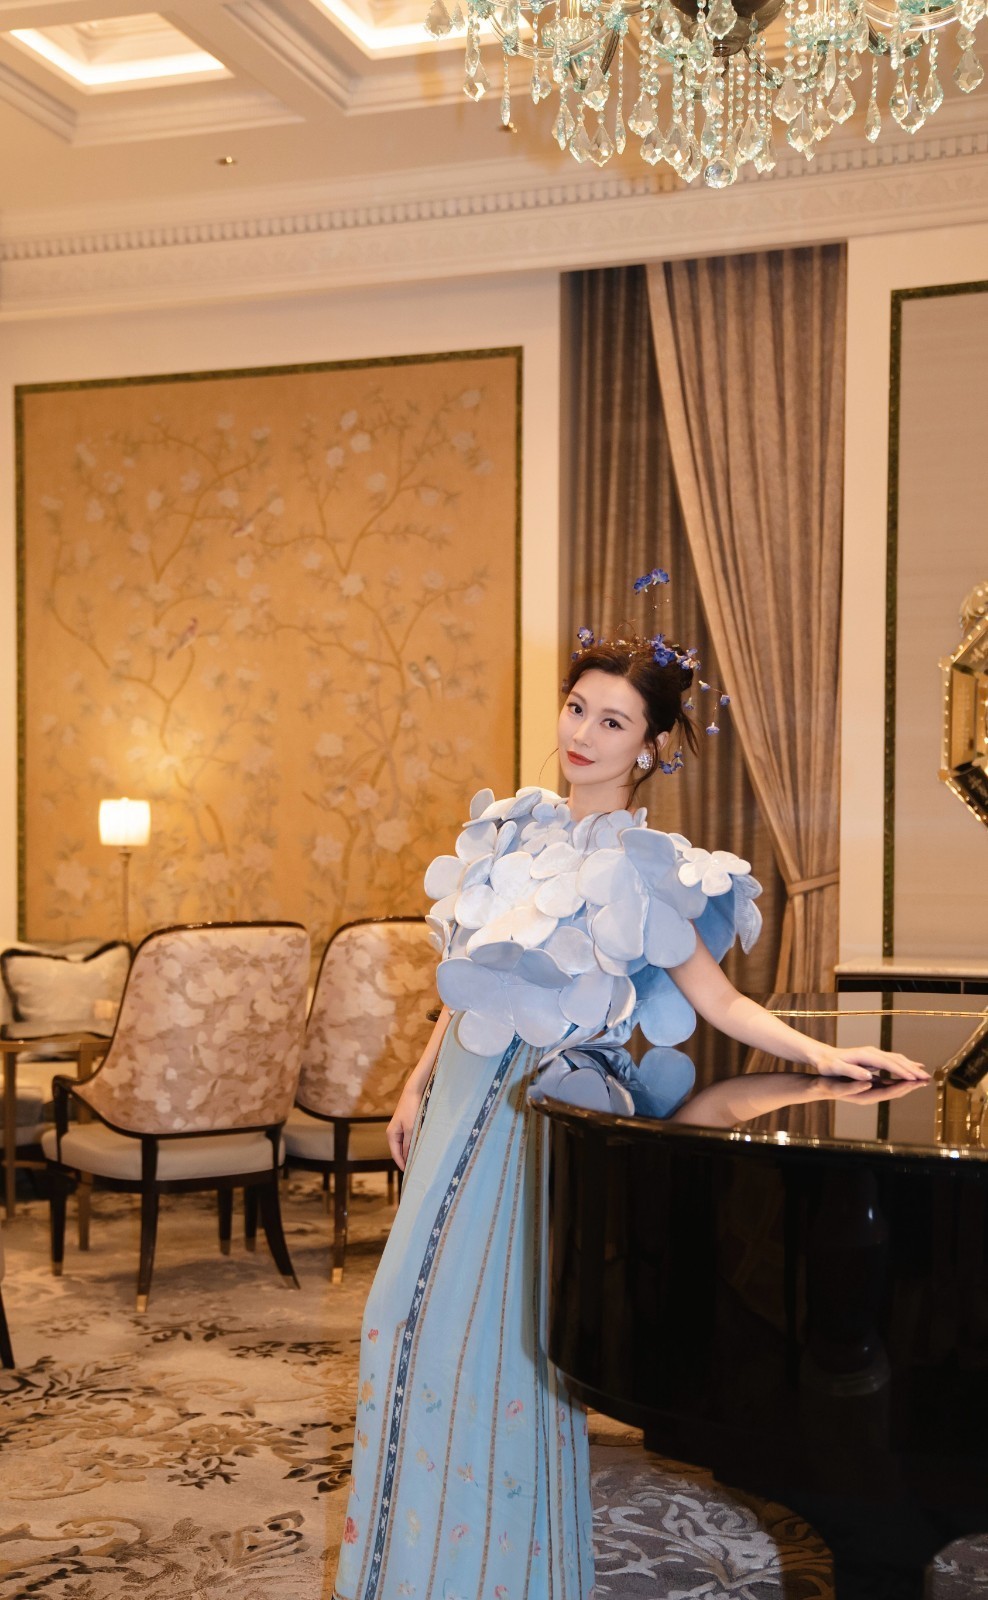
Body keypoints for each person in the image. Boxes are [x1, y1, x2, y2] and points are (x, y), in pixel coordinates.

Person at [331, 613, 927, 1600]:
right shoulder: (514, 828)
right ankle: (403, 1571)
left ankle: (497, 1577)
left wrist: (826, 1055)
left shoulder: (646, 866)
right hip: (456, 1106)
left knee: (489, 1341)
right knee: (400, 1318)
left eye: (612, 722)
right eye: (578, 708)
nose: (584, 734)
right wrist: (416, 1080)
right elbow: (469, 980)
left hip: (535, 1115)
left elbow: (720, 1002)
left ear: (649, 748)